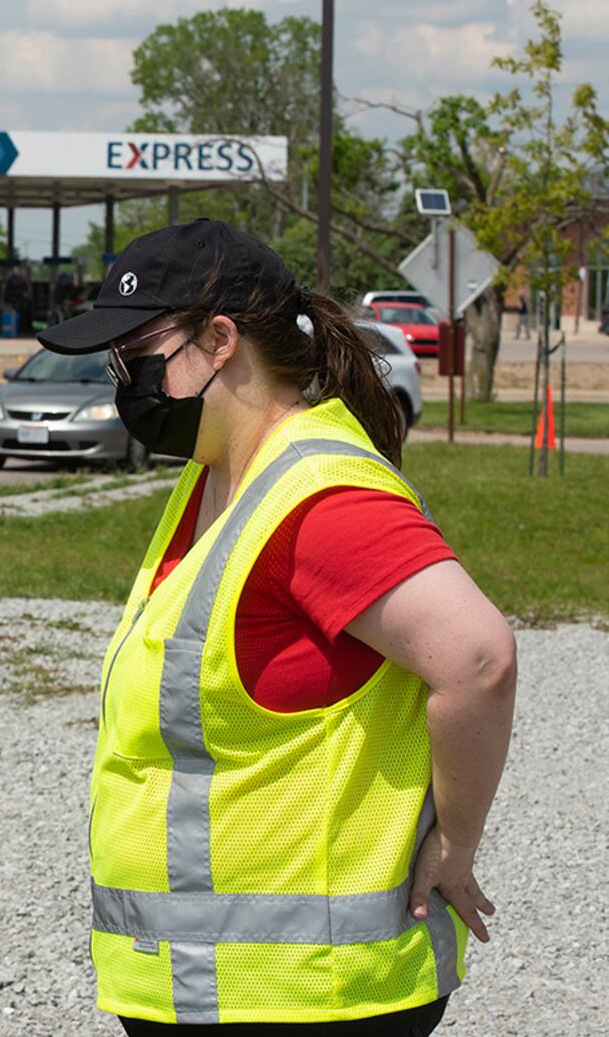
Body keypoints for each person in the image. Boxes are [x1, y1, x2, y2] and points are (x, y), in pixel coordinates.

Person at [36, 220, 517, 1035]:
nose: (123, 379)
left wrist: (455, 844)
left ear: (219, 339)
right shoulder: (221, 476)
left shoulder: (319, 495)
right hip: (225, 985)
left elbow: (477, 660)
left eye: (136, 352)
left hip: (309, 996)